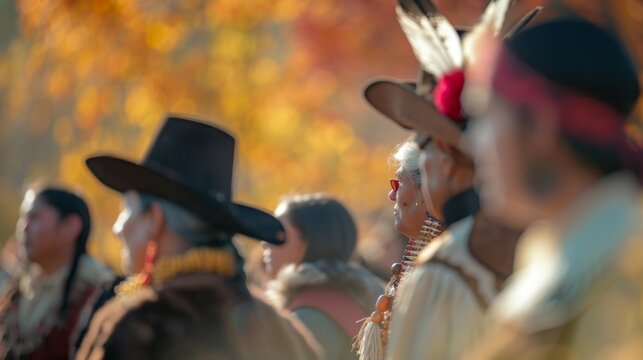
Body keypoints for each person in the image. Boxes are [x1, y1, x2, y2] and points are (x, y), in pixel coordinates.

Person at [360, 0, 537, 358]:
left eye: (401, 183)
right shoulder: (540, 246)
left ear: (443, 161)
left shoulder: (450, 271)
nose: (393, 196)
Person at [467, 18, 643, 359]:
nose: (472, 142)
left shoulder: (625, 275)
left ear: (541, 123)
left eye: (485, 115)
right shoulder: (562, 256)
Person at [76, 115, 321, 360]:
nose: (119, 228)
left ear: (155, 219)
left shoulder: (141, 327)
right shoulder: (277, 327)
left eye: (127, 210)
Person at [264, 193, 383, 360]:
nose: (265, 242)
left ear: (309, 240)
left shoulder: (306, 318)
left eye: (277, 232)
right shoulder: (366, 302)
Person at [0, 186, 113, 360]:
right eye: (23, 218)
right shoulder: (18, 289)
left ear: (70, 227)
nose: (23, 228)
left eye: (34, 218)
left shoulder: (98, 292)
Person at [354, 141, 443, 359]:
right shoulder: (432, 265)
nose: (391, 196)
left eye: (398, 184)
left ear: (426, 192)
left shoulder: (442, 271)